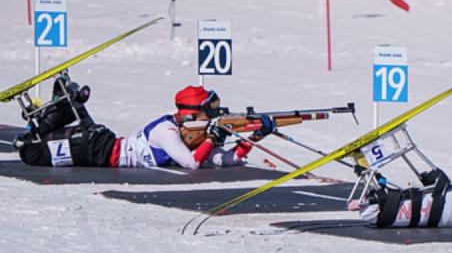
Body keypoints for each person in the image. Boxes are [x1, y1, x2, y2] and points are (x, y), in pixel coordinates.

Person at [16, 82, 274, 169]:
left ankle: (65, 100)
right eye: (209, 113)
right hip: (98, 150)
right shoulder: (167, 131)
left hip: (100, 146)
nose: (213, 118)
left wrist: (257, 136)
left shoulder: (194, 133)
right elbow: (192, 162)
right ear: (194, 114)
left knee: (39, 147)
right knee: (31, 152)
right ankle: (56, 102)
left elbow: (225, 160)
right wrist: (212, 138)